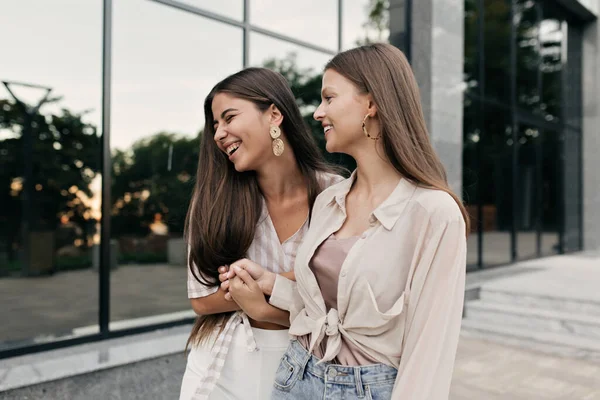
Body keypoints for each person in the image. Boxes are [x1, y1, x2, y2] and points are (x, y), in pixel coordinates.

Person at [222, 43, 469, 399]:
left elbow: (431, 349)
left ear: (371, 103)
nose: (318, 112)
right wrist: (271, 284)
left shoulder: (434, 213)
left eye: (329, 98)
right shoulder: (329, 201)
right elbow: (325, 311)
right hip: (296, 375)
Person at [179, 67, 343, 400]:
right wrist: (297, 280)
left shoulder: (335, 194)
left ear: (274, 114)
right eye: (215, 125)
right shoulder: (214, 201)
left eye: (228, 118)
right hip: (222, 362)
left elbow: (339, 290)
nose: (220, 134)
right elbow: (200, 298)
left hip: (309, 362)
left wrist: (260, 292)